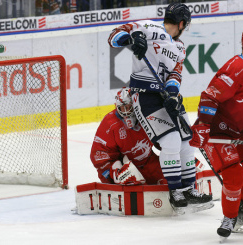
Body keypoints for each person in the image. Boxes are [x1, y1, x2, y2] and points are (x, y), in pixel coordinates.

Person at [107, 3, 212, 212]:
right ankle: (176, 192)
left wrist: (173, 95)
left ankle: (189, 188)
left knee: (187, 141)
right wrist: (131, 39)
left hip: (168, 96)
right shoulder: (146, 27)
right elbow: (113, 36)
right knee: (171, 141)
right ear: (182, 23)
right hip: (145, 96)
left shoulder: (180, 47)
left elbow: (176, 74)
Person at [189, 33, 243, 239]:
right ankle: (230, 217)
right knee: (234, 177)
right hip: (217, 132)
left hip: (238, 131)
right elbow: (210, 96)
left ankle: (240, 208)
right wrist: (203, 126)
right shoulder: (237, 68)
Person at [90, 87, 166, 186]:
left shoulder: (148, 114)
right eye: (122, 108)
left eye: (129, 107)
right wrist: (114, 173)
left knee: (183, 170)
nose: (126, 112)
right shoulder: (110, 123)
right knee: (134, 194)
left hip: (150, 162)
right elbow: (99, 156)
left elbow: (164, 141)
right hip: (127, 167)